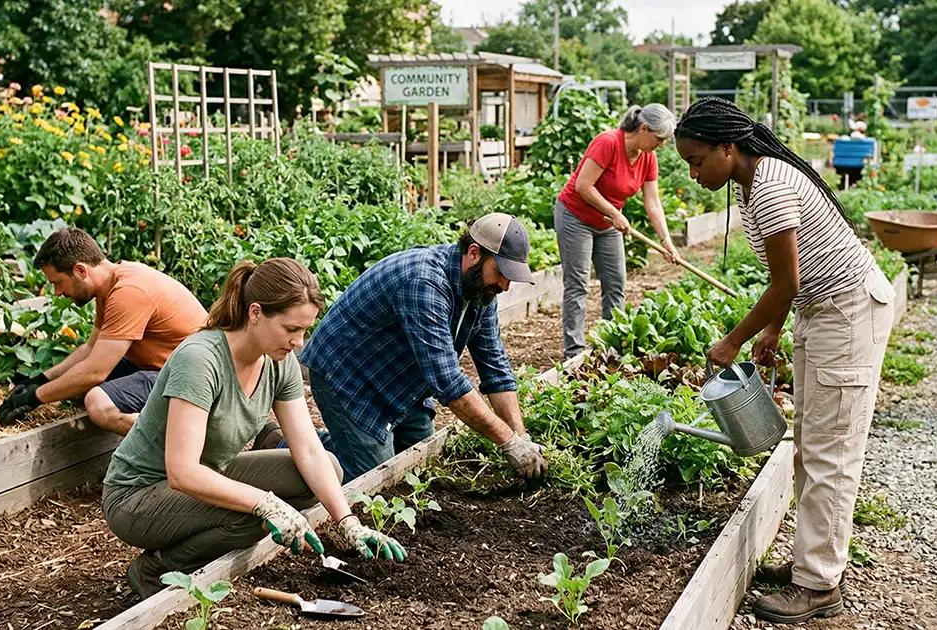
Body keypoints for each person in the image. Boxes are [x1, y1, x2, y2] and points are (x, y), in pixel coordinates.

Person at [674, 97, 895, 624]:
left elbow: (785, 282)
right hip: (823, 309)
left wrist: (733, 340)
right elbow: (797, 278)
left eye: (698, 159)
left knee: (830, 454)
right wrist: (774, 327)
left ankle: (818, 587)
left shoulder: (769, 186)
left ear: (728, 148)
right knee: (812, 447)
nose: (693, 172)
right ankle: (811, 565)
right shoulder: (753, 183)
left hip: (846, 312)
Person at [102, 258, 405, 599]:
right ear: (256, 313)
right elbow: (182, 471)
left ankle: (192, 548)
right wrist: (265, 503)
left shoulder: (279, 363)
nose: (299, 342)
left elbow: (307, 449)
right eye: (291, 329)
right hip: (137, 497)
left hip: (206, 475)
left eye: (304, 330)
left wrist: (347, 521)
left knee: (328, 469)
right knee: (253, 517)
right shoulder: (200, 360)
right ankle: (157, 570)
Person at [278, 213, 547, 483]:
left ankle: (333, 445)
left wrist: (521, 437)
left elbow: (495, 367)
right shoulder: (425, 282)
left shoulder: (481, 292)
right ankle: (282, 451)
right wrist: (508, 442)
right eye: (500, 273)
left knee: (420, 467)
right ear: (474, 253)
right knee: (374, 482)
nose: (505, 285)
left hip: (401, 379)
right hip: (349, 377)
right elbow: (449, 383)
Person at [0, 228, 207, 435]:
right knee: (77, 386)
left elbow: (94, 372)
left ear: (80, 270)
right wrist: (40, 380)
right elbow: (91, 349)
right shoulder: (108, 287)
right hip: (169, 367)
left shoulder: (129, 292)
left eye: (58, 283)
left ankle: (174, 447)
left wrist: (35, 397)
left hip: (194, 379)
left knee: (98, 403)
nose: (57, 293)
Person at [554, 103, 680, 358]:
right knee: (578, 284)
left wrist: (666, 240)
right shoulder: (608, 143)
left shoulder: (648, 157)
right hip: (575, 216)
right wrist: (614, 213)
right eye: (659, 139)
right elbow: (583, 186)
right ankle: (574, 353)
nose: (662, 145)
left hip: (608, 223)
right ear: (643, 129)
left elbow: (652, 202)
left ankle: (610, 347)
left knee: (616, 283)